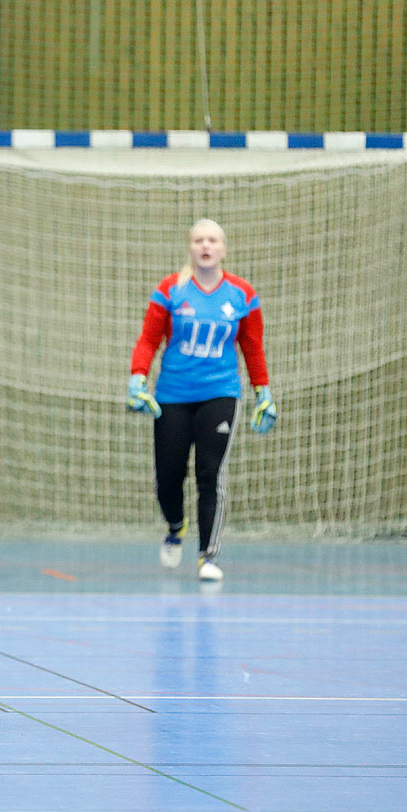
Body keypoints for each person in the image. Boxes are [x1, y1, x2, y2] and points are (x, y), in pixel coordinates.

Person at [126, 219, 277, 582]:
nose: (205, 246)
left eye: (212, 240)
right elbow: (148, 340)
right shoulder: (171, 290)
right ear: (190, 248)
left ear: (223, 249)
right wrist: (137, 378)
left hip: (221, 392)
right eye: (198, 240)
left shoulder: (242, 294)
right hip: (173, 395)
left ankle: (207, 556)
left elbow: (252, 346)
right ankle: (176, 526)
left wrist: (264, 392)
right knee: (168, 477)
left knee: (211, 474)